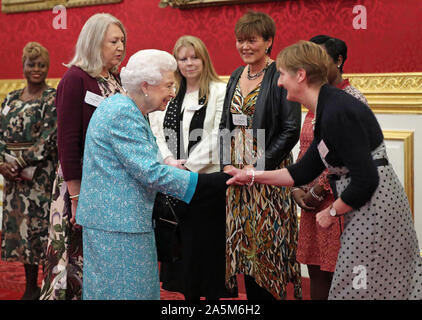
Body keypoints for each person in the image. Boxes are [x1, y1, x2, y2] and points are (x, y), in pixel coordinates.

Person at [225, 40, 422, 300]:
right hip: (361, 206)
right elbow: (303, 172)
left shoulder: (336, 111)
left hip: (374, 209)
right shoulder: (325, 106)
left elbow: (365, 180)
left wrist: (331, 211)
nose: (279, 82)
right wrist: (251, 175)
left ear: (301, 76)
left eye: (282, 75)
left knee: (360, 288)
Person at [75, 49, 217, 300]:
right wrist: (208, 183)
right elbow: (150, 172)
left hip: (116, 222)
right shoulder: (123, 113)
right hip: (118, 226)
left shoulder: (123, 106)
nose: (173, 92)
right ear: (146, 86)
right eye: (168, 86)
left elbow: (139, 163)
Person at [40, 13, 126, 300]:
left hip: (109, 183)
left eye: (122, 40)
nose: (120, 46)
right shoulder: (75, 78)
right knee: (73, 264)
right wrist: (76, 196)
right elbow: (67, 140)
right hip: (79, 186)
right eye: (113, 41)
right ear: (93, 42)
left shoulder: (114, 78)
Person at [218, 11, 302, 300]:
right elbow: (224, 125)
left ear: (268, 42)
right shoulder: (234, 75)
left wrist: (256, 169)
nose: (244, 47)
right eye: (240, 41)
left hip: (268, 178)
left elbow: (290, 130)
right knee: (244, 248)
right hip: (238, 179)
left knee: (267, 248)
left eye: (251, 40)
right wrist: (225, 164)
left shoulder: (280, 74)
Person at [149, 35, 234, 299]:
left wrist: (188, 168)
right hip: (174, 184)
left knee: (207, 255)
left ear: (204, 58)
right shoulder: (170, 93)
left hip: (207, 184)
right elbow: (157, 131)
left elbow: (220, 134)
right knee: (183, 257)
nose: (189, 63)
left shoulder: (220, 91)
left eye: (194, 57)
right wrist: (168, 163)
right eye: (183, 58)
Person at [292, 35, 369, 300]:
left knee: (344, 275)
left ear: (339, 61)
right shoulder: (317, 98)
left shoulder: (352, 98)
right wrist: (299, 188)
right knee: (316, 273)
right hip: (313, 203)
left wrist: (317, 190)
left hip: (340, 202)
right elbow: (306, 148)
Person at [0, 42, 57, 300]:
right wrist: (2, 164)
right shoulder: (10, 98)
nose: (36, 69)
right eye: (31, 64)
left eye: (41, 65)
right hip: (12, 180)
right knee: (21, 232)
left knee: (40, 230)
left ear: (47, 67)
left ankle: (47, 287)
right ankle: (30, 286)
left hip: (40, 177)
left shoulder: (52, 97)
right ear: (23, 66)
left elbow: (49, 137)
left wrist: (20, 163)